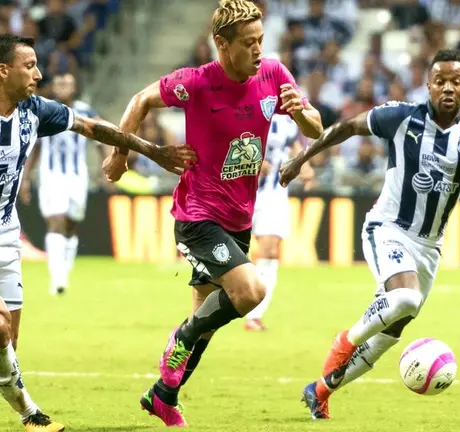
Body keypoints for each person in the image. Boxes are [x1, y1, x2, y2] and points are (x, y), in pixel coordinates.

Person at [0, 34, 195, 432]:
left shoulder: (34, 110)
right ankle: (32, 415)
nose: (38, 75)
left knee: (3, 341)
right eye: (30, 66)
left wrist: (150, 150)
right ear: (2, 71)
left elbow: (93, 127)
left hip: (5, 236)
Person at [101, 0, 323, 426]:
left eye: (261, 40)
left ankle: (163, 395)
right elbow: (141, 99)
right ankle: (176, 343)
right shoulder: (197, 83)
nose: (258, 50)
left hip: (240, 219)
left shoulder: (274, 75)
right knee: (250, 293)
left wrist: (301, 112)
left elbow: (314, 127)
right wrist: (119, 155)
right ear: (222, 44)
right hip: (197, 217)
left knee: (203, 323)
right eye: (248, 43)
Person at [279, 49, 460, 420]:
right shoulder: (402, 117)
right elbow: (347, 127)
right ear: (428, 85)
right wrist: (302, 159)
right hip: (389, 228)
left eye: (456, 81)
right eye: (440, 80)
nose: (448, 87)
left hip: (429, 247)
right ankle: (345, 340)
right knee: (405, 299)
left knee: (390, 333)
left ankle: (320, 391)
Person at [20, 73, 107, 295]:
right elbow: (36, 148)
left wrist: (107, 165)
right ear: (54, 88)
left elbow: (102, 140)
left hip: (77, 177)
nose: (64, 87)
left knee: (71, 225)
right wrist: (26, 178)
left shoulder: (86, 112)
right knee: (56, 221)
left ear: (75, 86)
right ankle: (57, 278)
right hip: (51, 177)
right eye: (60, 83)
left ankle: (64, 273)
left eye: (68, 82)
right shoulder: (45, 110)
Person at [244, 113, 311, 331]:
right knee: (229, 251)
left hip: (273, 195)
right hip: (238, 192)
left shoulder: (286, 120)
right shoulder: (245, 108)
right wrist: (251, 159)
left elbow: (293, 144)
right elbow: (223, 140)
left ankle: (254, 315)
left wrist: (304, 165)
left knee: (270, 252)